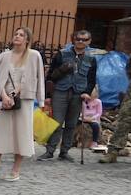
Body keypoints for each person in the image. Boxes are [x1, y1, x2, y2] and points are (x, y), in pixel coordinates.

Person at [0, 27, 45, 179]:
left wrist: (41, 100)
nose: (17, 36)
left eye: (21, 35)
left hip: (24, 98)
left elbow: (39, 77)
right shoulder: (4, 56)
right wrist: (3, 96)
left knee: (22, 133)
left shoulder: (34, 55)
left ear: (27, 40)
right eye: (15, 33)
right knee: (1, 132)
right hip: (4, 99)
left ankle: (15, 170)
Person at [41, 29, 97, 161]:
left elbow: (91, 79)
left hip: (78, 94)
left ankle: (64, 151)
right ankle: (50, 150)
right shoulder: (61, 54)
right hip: (60, 91)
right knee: (56, 122)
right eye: (78, 39)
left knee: (71, 124)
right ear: (74, 39)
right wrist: (48, 95)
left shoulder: (92, 58)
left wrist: (87, 93)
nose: (80, 42)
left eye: (84, 40)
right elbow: (50, 75)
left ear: (89, 42)